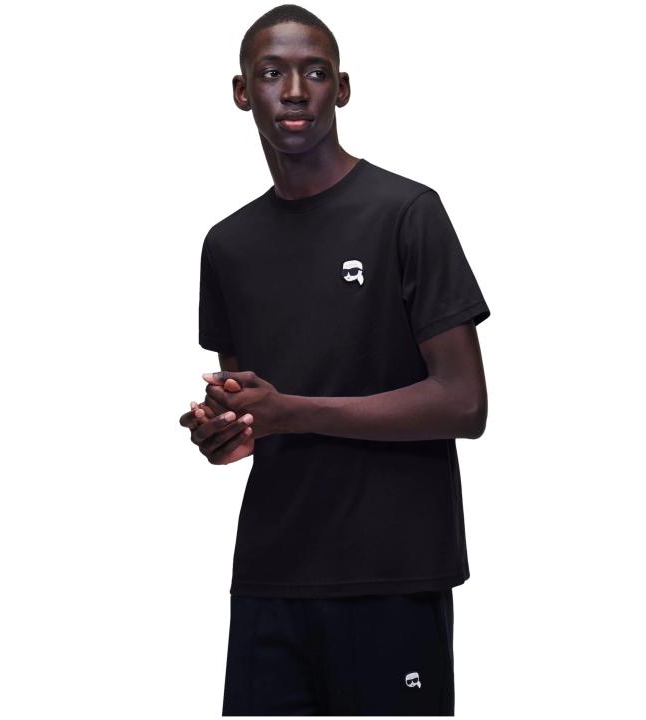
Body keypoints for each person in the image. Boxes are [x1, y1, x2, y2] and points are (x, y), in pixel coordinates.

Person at [179, 4, 491, 715]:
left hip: (393, 574)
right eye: (272, 73)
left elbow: (464, 403)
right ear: (241, 92)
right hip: (271, 576)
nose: (294, 91)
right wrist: (225, 429)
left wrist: (291, 411)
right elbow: (255, 418)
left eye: (315, 73)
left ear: (342, 88)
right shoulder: (228, 246)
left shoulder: (407, 213)